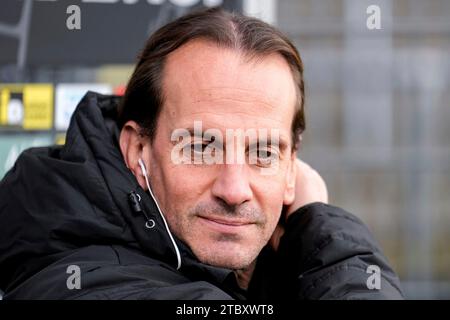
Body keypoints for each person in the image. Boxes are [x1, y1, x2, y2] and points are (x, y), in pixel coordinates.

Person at [0, 8, 403, 300]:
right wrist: (321, 228)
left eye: (262, 151)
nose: (234, 190)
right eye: (200, 148)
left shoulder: (240, 271)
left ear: (291, 168)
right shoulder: (92, 283)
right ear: (137, 147)